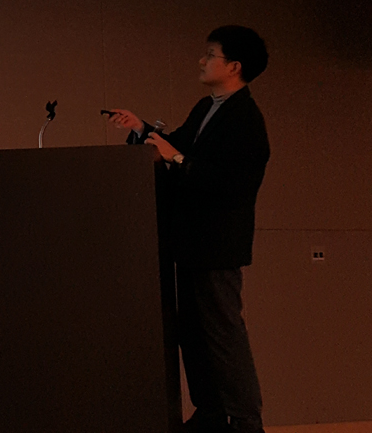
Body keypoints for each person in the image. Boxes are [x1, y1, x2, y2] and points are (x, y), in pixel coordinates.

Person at [108, 26, 270, 433]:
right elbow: (177, 144)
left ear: (234, 66)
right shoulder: (206, 107)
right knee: (193, 333)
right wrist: (142, 128)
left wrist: (176, 158)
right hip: (190, 241)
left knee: (223, 333)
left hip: (218, 245)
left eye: (211, 55)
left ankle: (245, 421)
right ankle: (210, 413)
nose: (202, 60)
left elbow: (226, 182)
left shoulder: (246, 119)